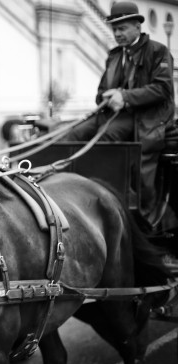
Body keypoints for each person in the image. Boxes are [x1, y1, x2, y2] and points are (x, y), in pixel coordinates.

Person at [63, 1, 175, 222]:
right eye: (114, 29)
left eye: (122, 28)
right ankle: (69, 194)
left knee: (107, 137)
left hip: (147, 119)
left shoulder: (158, 51)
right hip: (113, 114)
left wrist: (124, 97)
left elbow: (162, 89)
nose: (117, 33)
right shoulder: (114, 55)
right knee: (72, 135)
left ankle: (129, 211)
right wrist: (107, 96)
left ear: (137, 27)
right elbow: (101, 92)